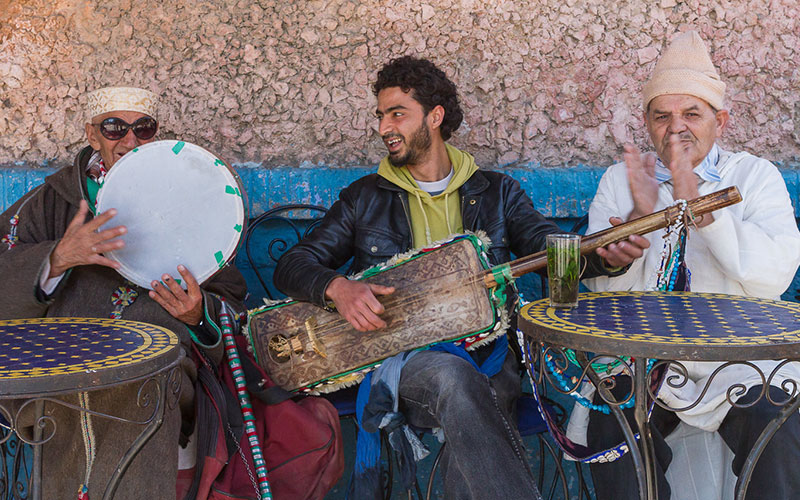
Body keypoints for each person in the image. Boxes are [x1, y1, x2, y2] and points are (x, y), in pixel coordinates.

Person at [273, 56, 648, 499]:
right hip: (405, 365)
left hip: (491, 357)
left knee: (474, 396)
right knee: (456, 379)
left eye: (398, 114)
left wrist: (606, 257)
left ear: (435, 117)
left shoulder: (498, 193)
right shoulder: (363, 199)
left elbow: (550, 249)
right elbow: (291, 266)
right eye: (380, 115)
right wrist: (338, 288)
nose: (384, 127)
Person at [580, 31, 800, 499]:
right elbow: (597, 294)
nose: (675, 128)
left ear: (720, 121)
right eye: (662, 116)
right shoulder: (621, 181)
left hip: (739, 359)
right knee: (612, 425)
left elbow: (775, 275)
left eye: (691, 114)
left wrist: (701, 208)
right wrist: (638, 223)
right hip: (643, 357)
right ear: (647, 121)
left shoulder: (754, 177)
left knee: (776, 425)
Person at [0, 86, 247, 499]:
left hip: (158, 369)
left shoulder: (194, 197)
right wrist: (57, 259)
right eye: (114, 128)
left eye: (143, 129)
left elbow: (229, 298)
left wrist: (197, 313)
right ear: (92, 134)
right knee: (76, 397)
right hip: (67, 363)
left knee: (142, 390)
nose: (129, 141)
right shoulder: (53, 203)